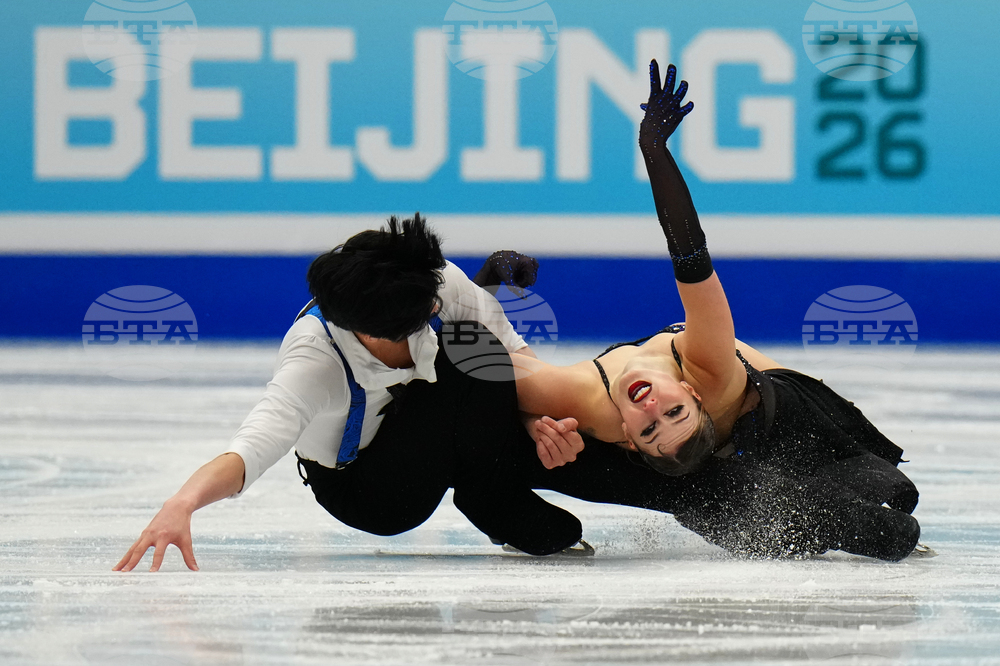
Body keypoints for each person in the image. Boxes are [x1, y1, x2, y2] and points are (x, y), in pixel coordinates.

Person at [509, 61, 922, 561]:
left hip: (782, 425)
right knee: (885, 532)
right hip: (701, 470)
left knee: (894, 496)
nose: (653, 409)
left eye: (656, 422)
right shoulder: (634, 403)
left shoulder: (694, 371)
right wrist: (532, 425)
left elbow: (689, 253)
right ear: (627, 442)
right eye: (668, 416)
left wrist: (655, 151)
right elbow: (690, 256)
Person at [114, 215, 586, 572]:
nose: (437, 295)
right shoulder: (313, 360)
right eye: (430, 305)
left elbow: (523, 365)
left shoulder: (430, 280)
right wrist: (183, 502)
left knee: (478, 350)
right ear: (384, 330)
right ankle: (492, 501)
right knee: (467, 352)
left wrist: (537, 422)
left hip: (423, 420)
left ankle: (498, 484)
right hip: (371, 490)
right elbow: (251, 447)